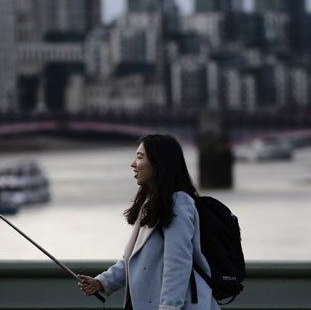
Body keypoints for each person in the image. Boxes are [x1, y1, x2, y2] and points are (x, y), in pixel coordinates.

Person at [77, 133, 220, 310]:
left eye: (140, 157)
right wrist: (102, 282)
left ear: (158, 163)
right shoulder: (151, 202)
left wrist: (169, 308)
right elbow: (135, 260)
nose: (133, 164)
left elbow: (177, 262)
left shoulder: (178, 202)